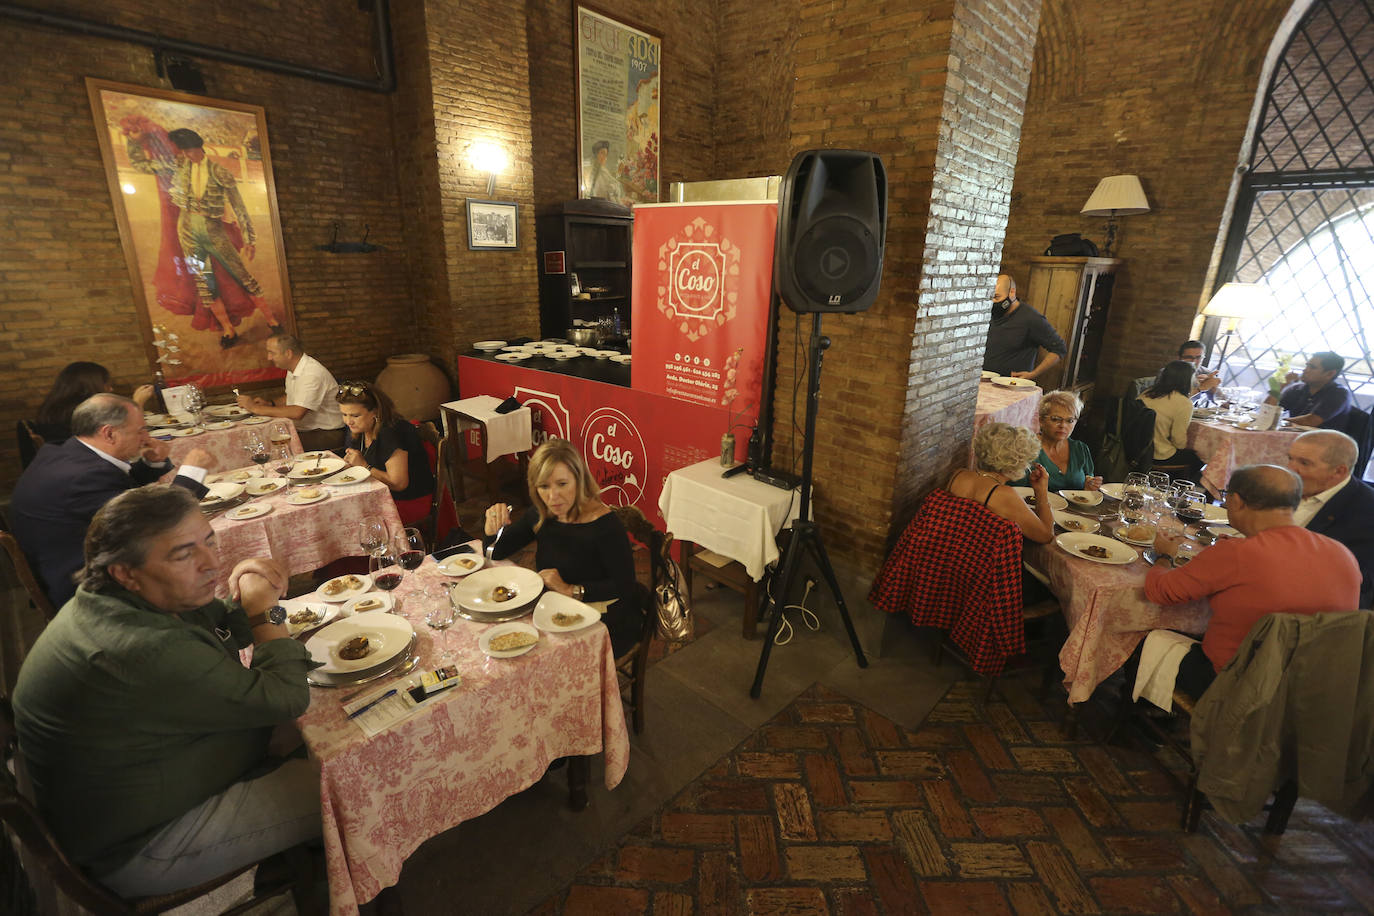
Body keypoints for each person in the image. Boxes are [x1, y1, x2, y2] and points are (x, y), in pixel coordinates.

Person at [11, 485, 320, 897]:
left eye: (210, 541)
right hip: (144, 844)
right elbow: (286, 696)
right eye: (183, 554)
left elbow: (232, 620)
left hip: (151, 779)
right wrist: (266, 604)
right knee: (350, 781)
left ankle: (301, 852)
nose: (212, 564)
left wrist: (259, 600)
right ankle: (329, 881)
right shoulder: (139, 645)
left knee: (312, 734)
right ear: (125, 571)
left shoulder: (119, 595)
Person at [1145, 465, 1361, 698]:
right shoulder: (1343, 554)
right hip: (1312, 689)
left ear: (1236, 501)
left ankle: (1151, 718)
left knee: (1143, 637)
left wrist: (1164, 556)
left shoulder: (1237, 553)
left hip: (1237, 685)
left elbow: (1160, 592)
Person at [9, 394, 213, 608]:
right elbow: (159, 527)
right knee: (193, 555)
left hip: (67, 561)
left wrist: (152, 464)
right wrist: (192, 473)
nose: (146, 437)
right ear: (109, 433)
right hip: (87, 587)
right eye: (140, 430)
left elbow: (117, 491)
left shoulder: (64, 451)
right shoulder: (84, 478)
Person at [484, 439, 644, 656]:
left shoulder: (605, 525)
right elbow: (496, 551)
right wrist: (492, 529)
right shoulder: (542, 514)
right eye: (544, 486)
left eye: (562, 484)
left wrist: (571, 590)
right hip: (554, 609)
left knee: (540, 660)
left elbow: (625, 585)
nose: (553, 496)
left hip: (607, 620)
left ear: (579, 480)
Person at [166, 128, 282, 349]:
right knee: (204, 283)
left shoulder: (220, 172)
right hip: (187, 230)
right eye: (184, 151)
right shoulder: (180, 168)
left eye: (190, 150)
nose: (187, 155)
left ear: (199, 146)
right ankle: (229, 329)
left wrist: (250, 239)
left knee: (241, 274)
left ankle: (272, 321)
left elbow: (240, 208)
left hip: (213, 228)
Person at [1288, 429, 1374, 608]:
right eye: (1290, 458)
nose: (1290, 469)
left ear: (1339, 471)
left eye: (1304, 463)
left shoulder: (1366, 511)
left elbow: (1353, 580)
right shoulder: (1289, 486)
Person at [19, 361, 155, 468]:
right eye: (107, 384)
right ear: (91, 386)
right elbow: (112, 437)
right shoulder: (80, 411)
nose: (111, 389)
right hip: (87, 463)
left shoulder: (56, 406)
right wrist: (137, 403)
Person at [336, 380, 435, 525]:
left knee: (347, 520)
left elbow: (399, 484)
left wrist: (364, 466)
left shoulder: (391, 432)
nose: (348, 421)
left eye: (355, 416)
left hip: (407, 502)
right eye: (344, 414)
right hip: (380, 495)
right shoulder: (362, 429)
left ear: (375, 411)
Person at [236, 333, 346, 451]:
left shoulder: (311, 373)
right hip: (307, 430)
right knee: (260, 440)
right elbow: (291, 397)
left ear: (288, 353)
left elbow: (297, 412)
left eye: (272, 353)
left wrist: (254, 408)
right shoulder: (294, 368)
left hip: (327, 433)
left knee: (267, 445)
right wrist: (270, 404)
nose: (269, 358)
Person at [950, 422, 1055, 544]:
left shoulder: (959, 475)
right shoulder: (1004, 495)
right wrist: (1041, 491)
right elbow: (1046, 536)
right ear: (1015, 464)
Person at [1010, 390, 1103, 492]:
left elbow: (1087, 488)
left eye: (1070, 421)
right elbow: (1014, 492)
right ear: (1041, 421)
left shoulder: (1080, 449)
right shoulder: (1025, 448)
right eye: (1055, 419)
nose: (1063, 425)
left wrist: (1089, 487)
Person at [983, 273, 1067, 382]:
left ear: (1012, 292)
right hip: (985, 382)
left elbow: (1059, 348)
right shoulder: (987, 313)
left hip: (1012, 386)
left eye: (997, 297)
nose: (993, 302)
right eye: (990, 298)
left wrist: (1033, 374)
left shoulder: (1031, 318)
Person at [1138, 360, 1205, 480]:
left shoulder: (1147, 393)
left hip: (1137, 450)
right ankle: (1173, 486)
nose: (1195, 381)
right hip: (1159, 454)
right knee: (1200, 458)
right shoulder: (1184, 403)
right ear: (1186, 380)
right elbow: (1178, 442)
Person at [1275, 351, 1353, 432]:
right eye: (1307, 365)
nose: (1305, 370)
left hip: (1323, 441)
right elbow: (1267, 410)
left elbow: (1310, 421)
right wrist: (1280, 387)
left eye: (1312, 367)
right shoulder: (1297, 389)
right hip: (1296, 436)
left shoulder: (1339, 393)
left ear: (1330, 374)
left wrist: (1279, 421)